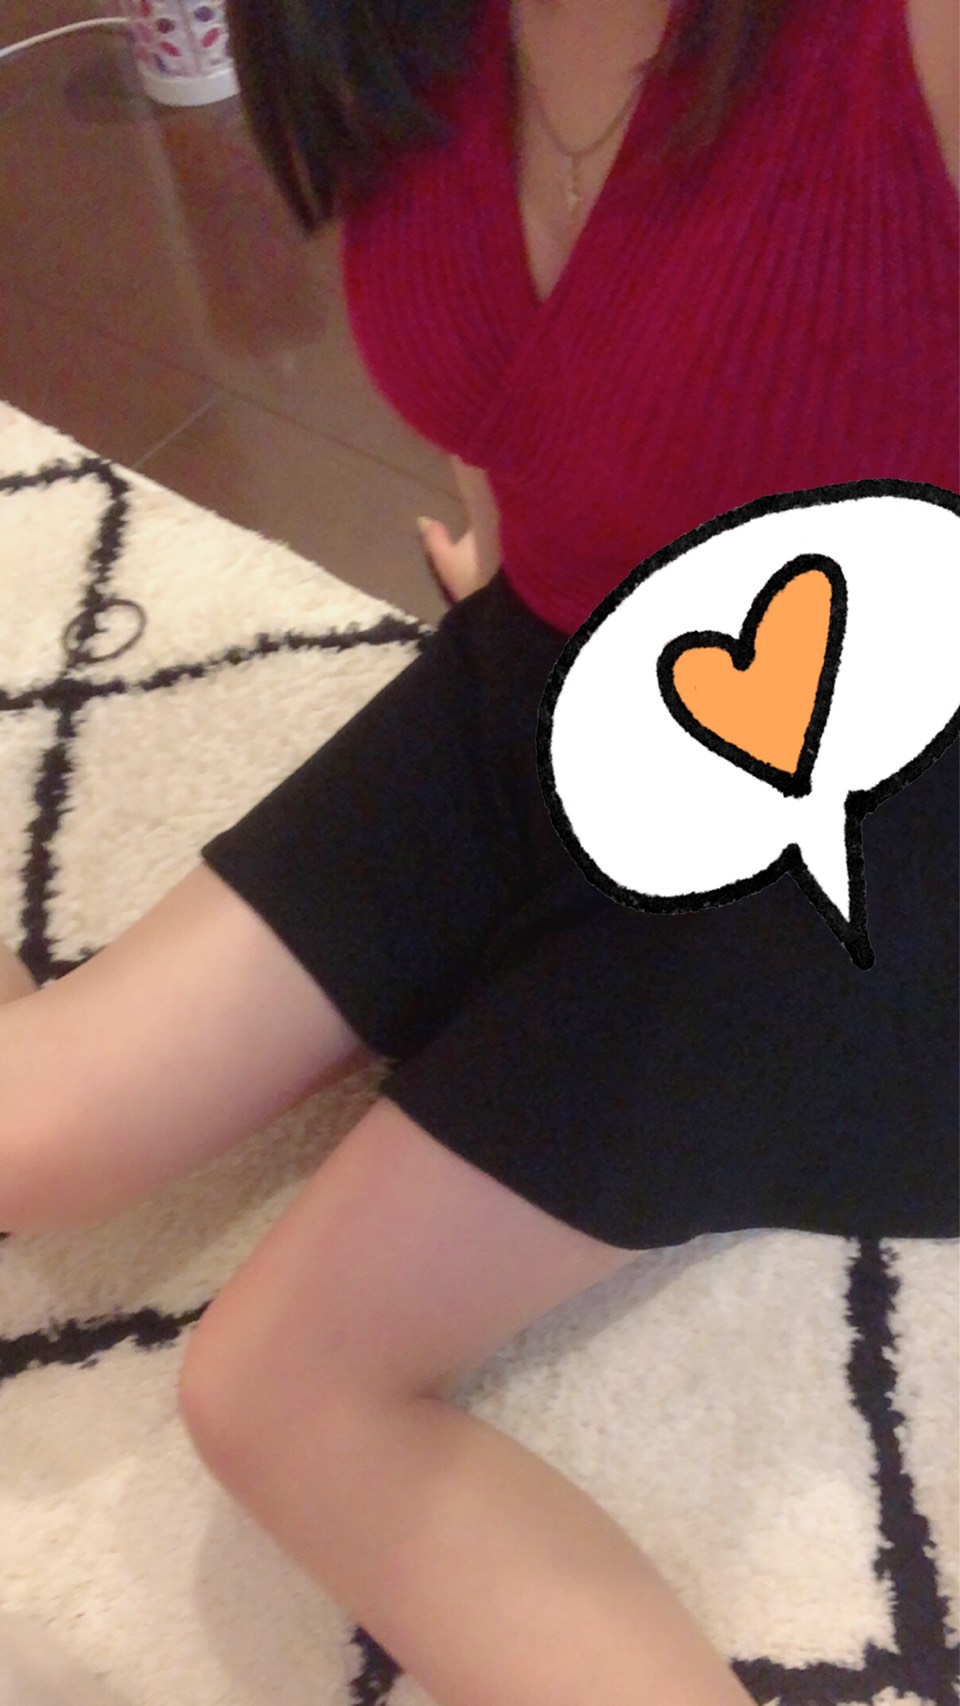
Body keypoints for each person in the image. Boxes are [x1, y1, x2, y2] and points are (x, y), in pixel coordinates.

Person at [1, 2, 956, 1702]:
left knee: (275, 1393)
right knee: (29, 1133)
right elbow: (499, 376)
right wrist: (545, 528)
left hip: (859, 824)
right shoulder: (386, 30)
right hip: (551, 669)